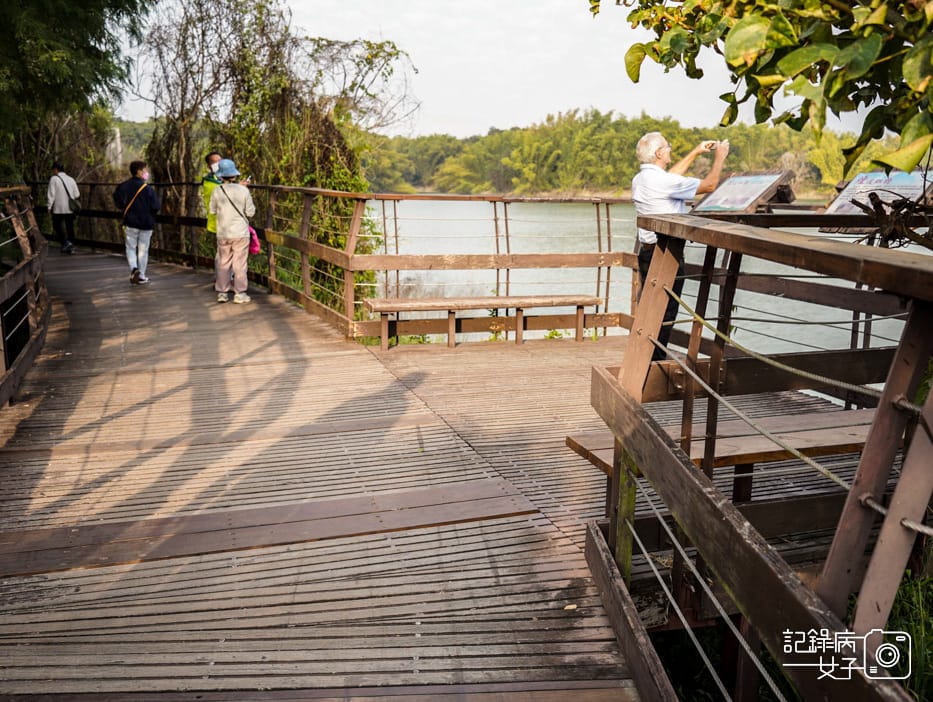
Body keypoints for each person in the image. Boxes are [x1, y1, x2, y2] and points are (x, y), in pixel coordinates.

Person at [631, 132, 730, 359]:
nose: (670, 149)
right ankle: (653, 363)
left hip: (647, 251)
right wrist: (720, 157)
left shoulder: (642, 178)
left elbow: (670, 177)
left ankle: (642, 358)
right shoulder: (663, 181)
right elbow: (710, 184)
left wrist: (695, 152)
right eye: (667, 147)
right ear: (659, 153)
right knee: (666, 310)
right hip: (667, 254)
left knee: (650, 306)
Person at [210, 158, 255, 304]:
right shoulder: (243, 190)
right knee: (239, 263)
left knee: (223, 263)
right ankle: (240, 293)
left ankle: (222, 292)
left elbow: (212, 210)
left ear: (221, 176)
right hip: (240, 233)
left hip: (223, 232)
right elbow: (250, 212)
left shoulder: (216, 190)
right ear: (234, 175)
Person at [113, 160, 161, 285]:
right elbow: (156, 206)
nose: (147, 173)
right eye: (145, 170)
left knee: (130, 247)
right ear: (139, 172)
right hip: (146, 222)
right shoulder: (148, 189)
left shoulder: (123, 186)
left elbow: (118, 202)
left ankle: (134, 268)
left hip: (130, 222)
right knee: (143, 249)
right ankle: (142, 275)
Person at [47, 163, 80, 254]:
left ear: (56, 169)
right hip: (70, 208)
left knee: (57, 226)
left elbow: (51, 194)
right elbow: (77, 194)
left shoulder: (54, 179)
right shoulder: (71, 179)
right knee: (70, 227)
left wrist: (49, 206)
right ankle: (71, 245)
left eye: (53, 169)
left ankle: (65, 243)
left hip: (58, 208)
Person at [201, 151, 223, 236]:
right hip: (218, 226)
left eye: (220, 161)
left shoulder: (223, 179)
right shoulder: (209, 182)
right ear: (209, 166)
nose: (219, 164)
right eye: (215, 162)